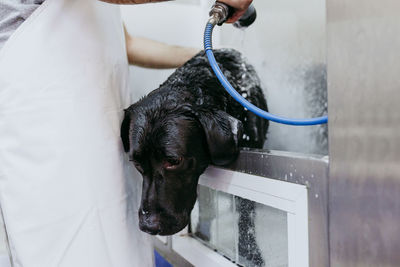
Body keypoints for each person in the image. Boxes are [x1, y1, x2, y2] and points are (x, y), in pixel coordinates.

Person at [0, 0, 252, 266]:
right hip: (49, 137)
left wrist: (214, 55)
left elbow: (128, 44)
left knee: (122, 248)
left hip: (102, 132)